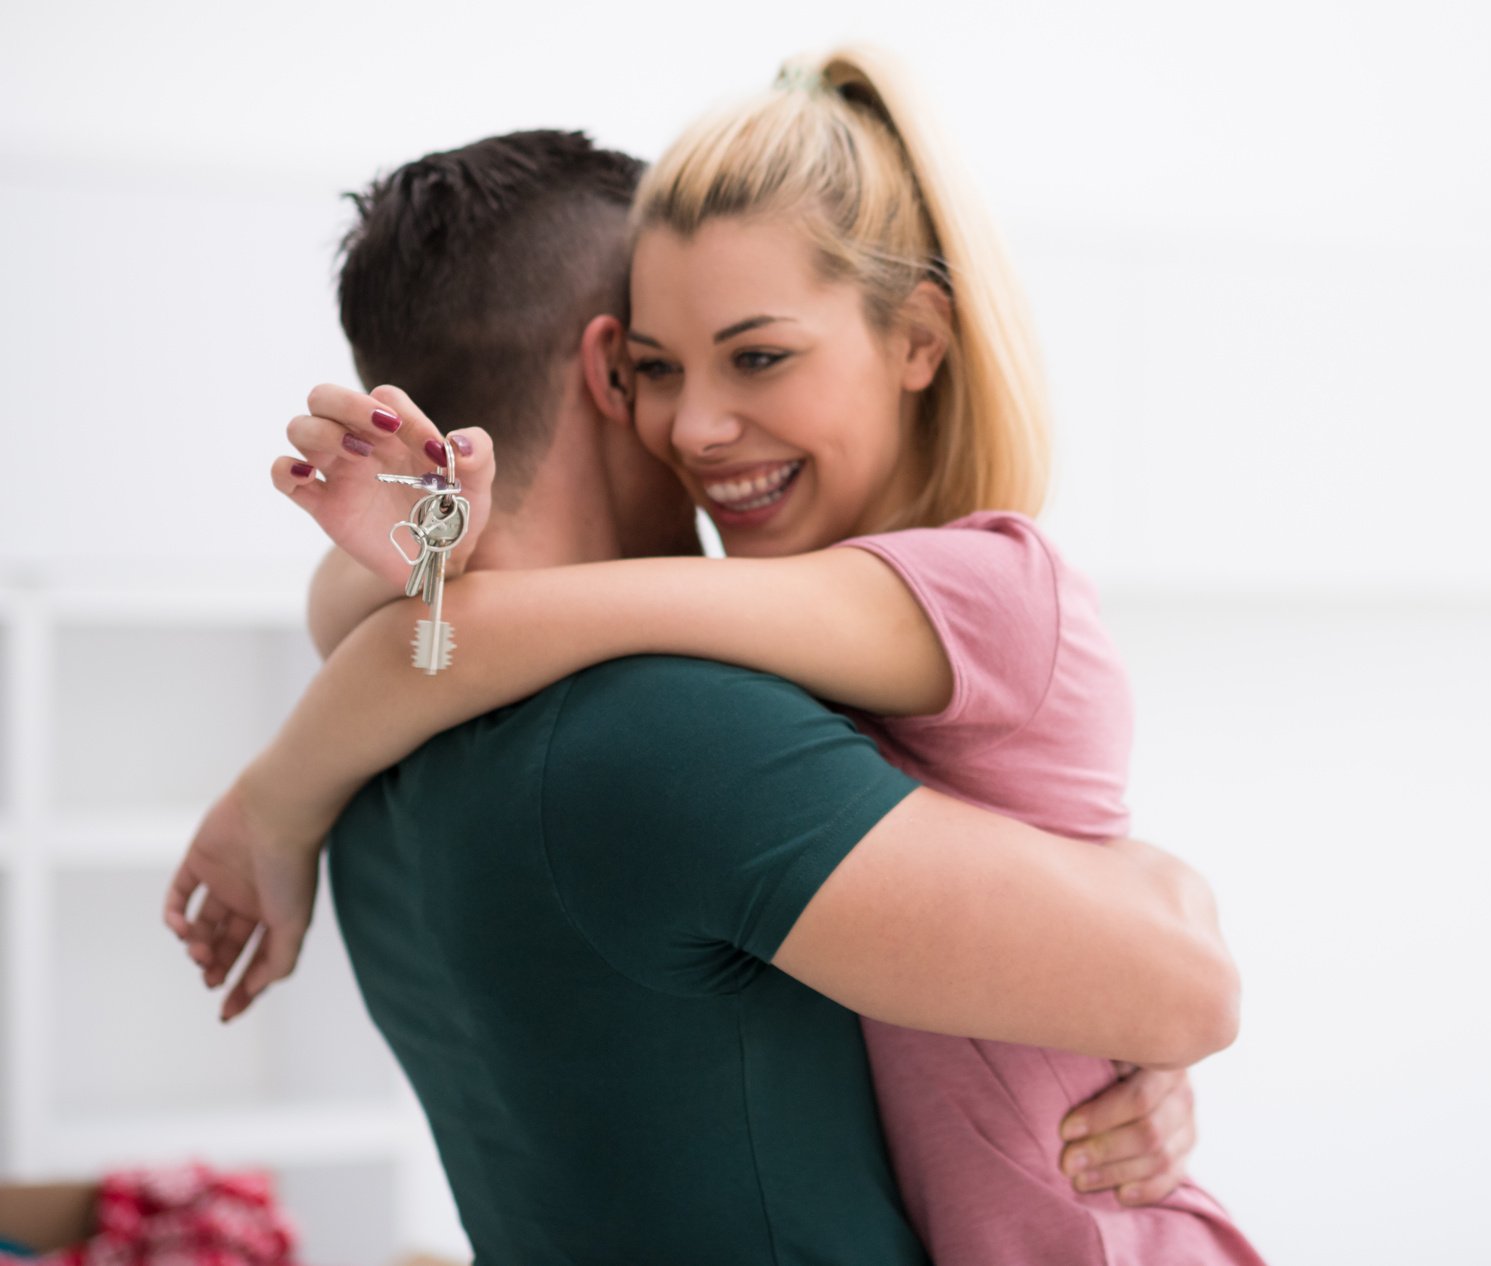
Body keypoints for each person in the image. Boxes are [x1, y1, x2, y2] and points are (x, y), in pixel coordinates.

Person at [165, 122, 1237, 1262]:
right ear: (609, 368)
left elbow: (433, 635)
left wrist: (278, 795)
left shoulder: (374, 780)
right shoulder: (675, 731)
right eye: (662, 367)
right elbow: (1189, 988)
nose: (698, 428)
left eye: (756, 355)